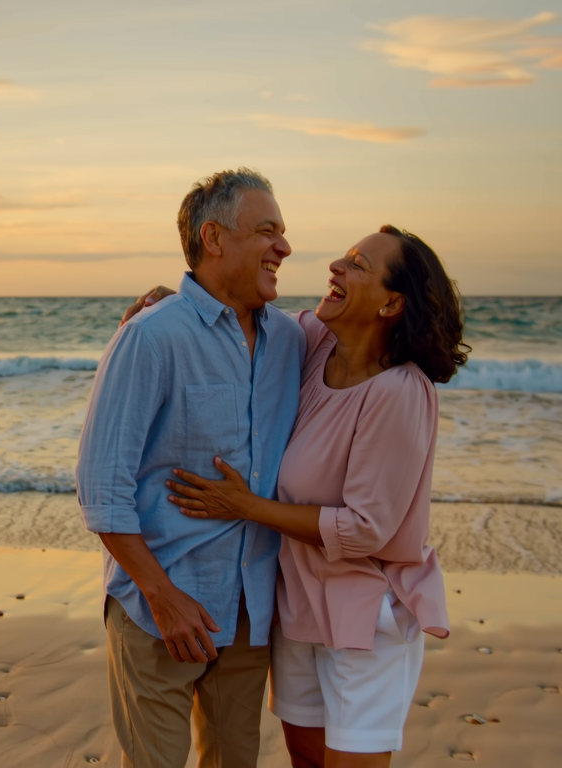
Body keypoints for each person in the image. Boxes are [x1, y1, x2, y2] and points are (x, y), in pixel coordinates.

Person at [131, 225, 468, 768]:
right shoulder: (312, 342)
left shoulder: (399, 392)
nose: (337, 266)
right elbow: (234, 321)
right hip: (296, 607)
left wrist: (245, 506)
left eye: (358, 264)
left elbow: (365, 529)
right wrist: (176, 306)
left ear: (391, 304)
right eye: (345, 256)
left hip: (365, 616)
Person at [75, 168, 307, 768]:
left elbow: (370, 343)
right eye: (267, 231)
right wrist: (163, 597)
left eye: (283, 232)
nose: (284, 247)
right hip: (159, 610)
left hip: (251, 612)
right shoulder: (151, 337)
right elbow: (102, 489)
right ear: (214, 237)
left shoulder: (293, 340)